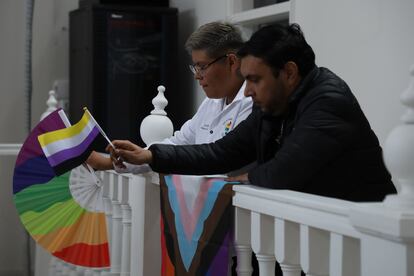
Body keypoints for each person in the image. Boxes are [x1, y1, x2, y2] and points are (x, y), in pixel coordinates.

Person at [107, 23, 397, 276]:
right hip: (321, 239)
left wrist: (249, 178)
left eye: (255, 80)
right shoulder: (276, 101)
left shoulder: (329, 100)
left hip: (369, 244)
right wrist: (152, 155)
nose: (246, 91)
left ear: (289, 73)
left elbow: (285, 170)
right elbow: (221, 152)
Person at [88, 21, 252, 172]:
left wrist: (150, 155)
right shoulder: (211, 103)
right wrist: (128, 157)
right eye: (195, 68)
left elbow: (218, 157)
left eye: (202, 66)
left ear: (231, 62)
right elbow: (177, 143)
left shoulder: (252, 103)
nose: (197, 76)